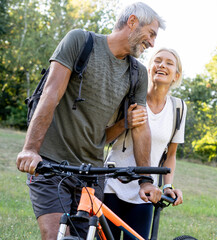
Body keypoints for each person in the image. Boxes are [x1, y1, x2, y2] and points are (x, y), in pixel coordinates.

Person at [15, 2, 165, 239]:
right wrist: (31, 150)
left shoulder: (136, 73)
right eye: (151, 34)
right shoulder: (80, 42)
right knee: (56, 235)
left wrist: (146, 180)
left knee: (85, 236)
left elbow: (139, 126)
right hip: (50, 165)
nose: (152, 43)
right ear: (133, 22)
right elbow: (50, 95)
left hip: (92, 172)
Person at [104, 48, 187, 239]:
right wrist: (125, 122)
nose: (162, 65)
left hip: (147, 192)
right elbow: (103, 138)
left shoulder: (178, 108)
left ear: (176, 75)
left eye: (169, 63)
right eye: (157, 61)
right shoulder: (129, 98)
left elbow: (171, 154)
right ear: (148, 69)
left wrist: (167, 186)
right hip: (112, 186)